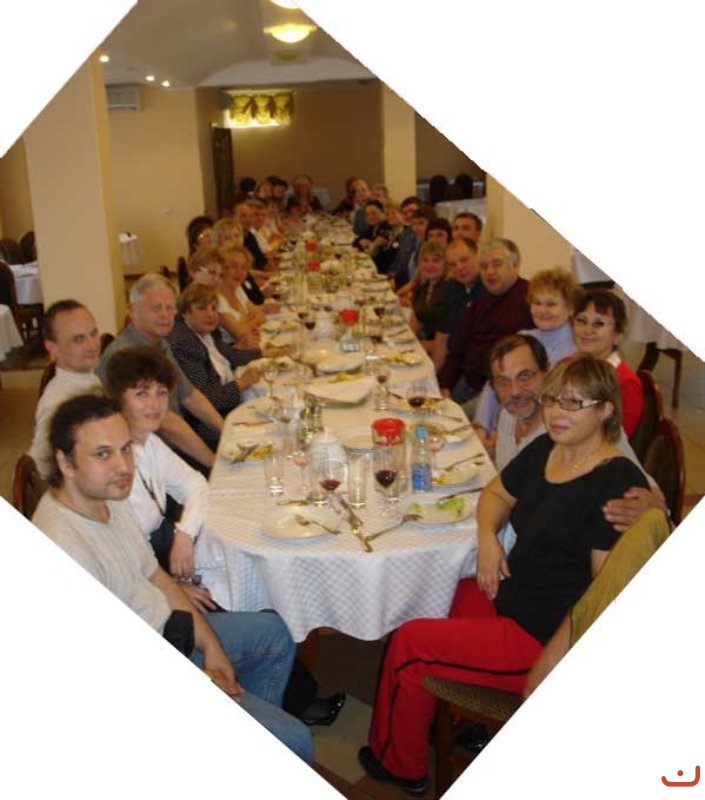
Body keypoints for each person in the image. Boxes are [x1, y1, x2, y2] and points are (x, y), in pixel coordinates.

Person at [358, 354, 649, 793]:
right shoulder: (551, 448)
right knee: (434, 595)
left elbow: (600, 597)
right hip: (515, 593)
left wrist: (549, 663)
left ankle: (399, 764)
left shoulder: (614, 485)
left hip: (543, 635)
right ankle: (443, 715)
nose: (556, 412)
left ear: (606, 410)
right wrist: (488, 538)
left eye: (573, 403)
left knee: (410, 644)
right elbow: (496, 494)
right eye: (552, 400)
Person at [32, 393, 313, 762]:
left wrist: (211, 646)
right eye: (103, 454)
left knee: (274, 633)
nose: (123, 466)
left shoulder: (108, 498)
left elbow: (158, 577)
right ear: (65, 463)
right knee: (297, 741)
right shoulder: (64, 546)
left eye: (126, 449)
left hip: (168, 628)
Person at [103, 348, 346, 727]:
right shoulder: (114, 468)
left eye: (161, 393)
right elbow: (123, 561)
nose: (155, 404)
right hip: (148, 587)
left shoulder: (147, 443)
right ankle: (288, 702)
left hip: (165, 558)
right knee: (239, 586)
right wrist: (175, 589)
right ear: (118, 398)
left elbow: (196, 484)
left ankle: (282, 693)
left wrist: (184, 533)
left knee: (242, 574)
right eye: (141, 393)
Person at [98, 273, 223, 468]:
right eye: (156, 308)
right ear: (133, 311)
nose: (165, 315)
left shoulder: (159, 342)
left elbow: (189, 394)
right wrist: (214, 464)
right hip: (145, 459)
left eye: (170, 308)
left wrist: (226, 430)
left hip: (172, 446)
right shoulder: (126, 355)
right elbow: (167, 424)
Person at [473, 266, 580, 444]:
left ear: (570, 308)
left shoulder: (576, 352)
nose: (542, 310)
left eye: (551, 304)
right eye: (537, 303)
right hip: (508, 423)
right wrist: (482, 426)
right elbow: (494, 384)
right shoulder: (523, 337)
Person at [438, 238, 533, 410]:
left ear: (515, 264)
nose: (489, 272)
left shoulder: (531, 301)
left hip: (497, 395)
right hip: (465, 383)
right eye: (484, 266)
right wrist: (444, 387)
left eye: (497, 264)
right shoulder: (479, 304)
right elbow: (457, 352)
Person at [166, 284, 262, 435]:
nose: (210, 314)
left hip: (227, 406)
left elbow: (232, 356)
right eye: (202, 309)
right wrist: (241, 383)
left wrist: (272, 353)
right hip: (209, 426)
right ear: (185, 312)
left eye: (213, 308)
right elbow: (207, 398)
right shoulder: (186, 343)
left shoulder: (206, 332)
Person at [29, 300, 103, 477]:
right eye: (78, 339)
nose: (92, 345)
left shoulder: (86, 377)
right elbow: (41, 468)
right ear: (53, 348)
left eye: (93, 333)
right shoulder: (58, 403)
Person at [572, 289, 644, 438]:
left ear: (618, 335)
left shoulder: (625, 384)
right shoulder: (567, 365)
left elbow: (616, 439)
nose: (587, 330)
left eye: (598, 323)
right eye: (581, 321)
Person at [426, 236, 486, 370]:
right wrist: (434, 375)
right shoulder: (450, 288)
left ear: (478, 256)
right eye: (453, 264)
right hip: (453, 363)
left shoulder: (490, 289)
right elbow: (442, 337)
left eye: (464, 260)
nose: (459, 267)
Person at [409, 241, 456, 346]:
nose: (429, 265)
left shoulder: (451, 288)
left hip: (442, 347)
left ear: (446, 264)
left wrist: (420, 346)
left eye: (436, 261)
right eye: (425, 260)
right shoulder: (422, 287)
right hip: (423, 343)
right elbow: (415, 320)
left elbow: (451, 338)